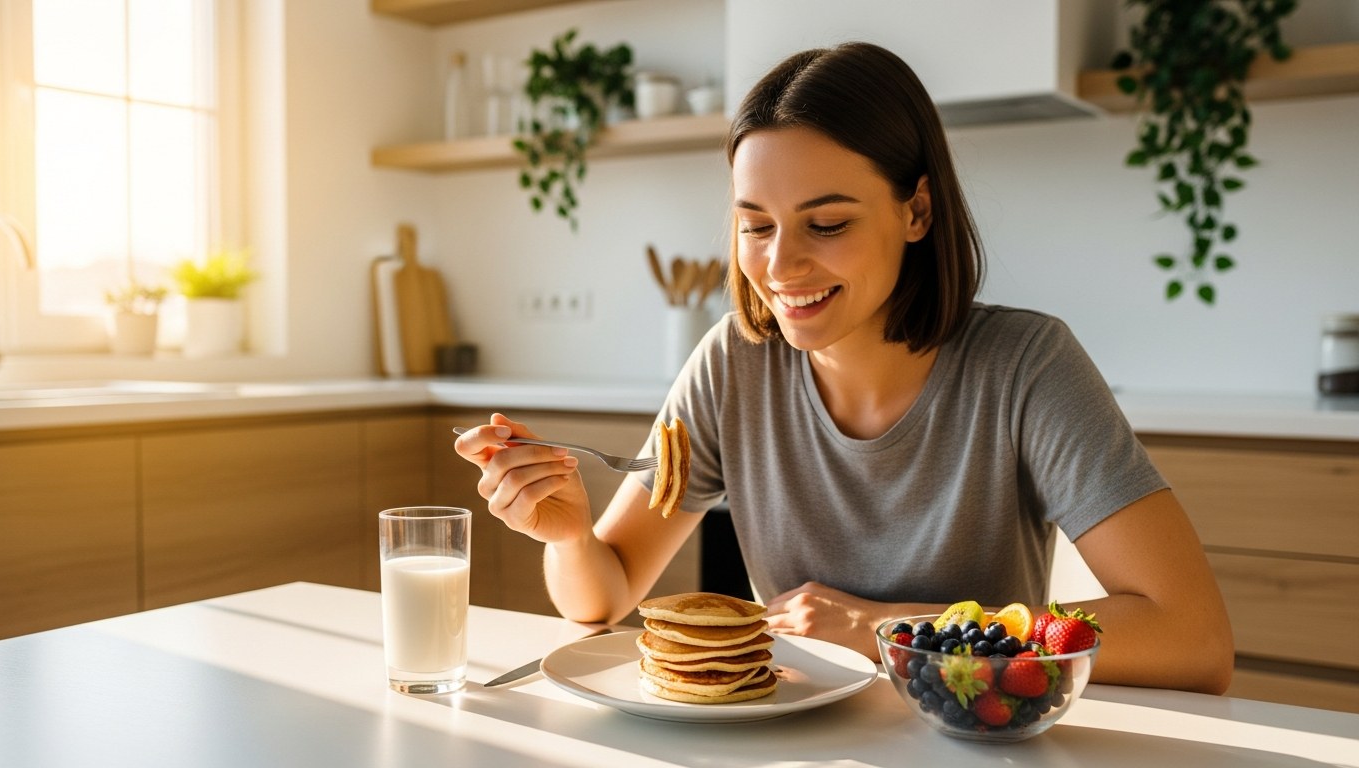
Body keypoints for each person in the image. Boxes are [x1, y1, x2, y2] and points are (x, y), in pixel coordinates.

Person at [454, 42, 1234, 695]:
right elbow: (602, 597)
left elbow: (1193, 638)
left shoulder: (1026, 365)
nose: (781, 263)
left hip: (970, 738)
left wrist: (888, 629)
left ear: (917, 212)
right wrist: (564, 535)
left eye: (825, 223)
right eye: (755, 225)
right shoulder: (733, 363)